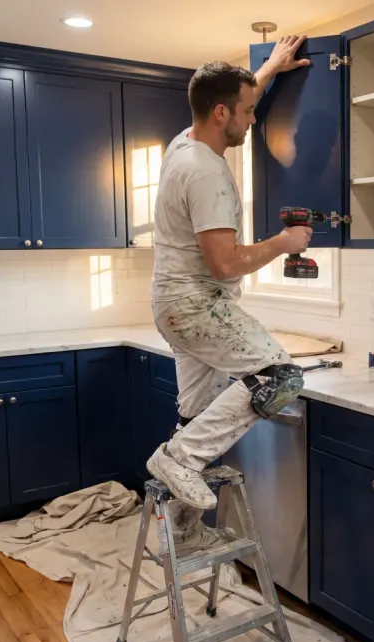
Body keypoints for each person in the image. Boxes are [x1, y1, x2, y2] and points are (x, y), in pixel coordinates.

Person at [146, 36, 313, 547]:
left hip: (174, 305)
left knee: (196, 414)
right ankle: (179, 459)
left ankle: (183, 529)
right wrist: (283, 242)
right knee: (281, 376)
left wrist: (267, 72)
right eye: (247, 111)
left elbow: (232, 98)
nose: (254, 119)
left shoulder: (184, 144)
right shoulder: (206, 173)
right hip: (198, 306)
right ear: (222, 113)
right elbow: (223, 265)